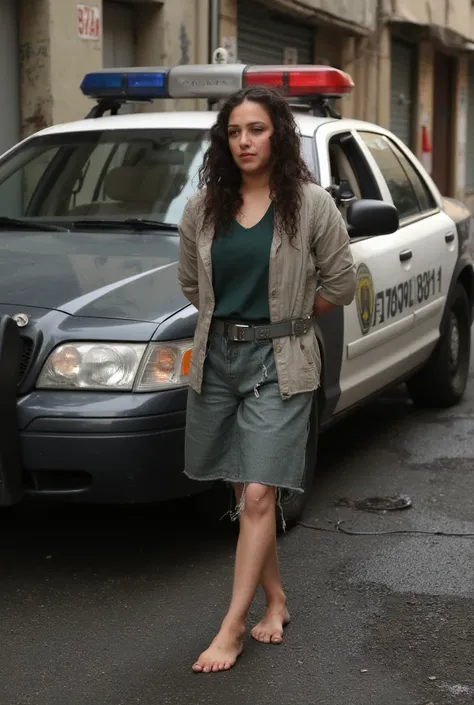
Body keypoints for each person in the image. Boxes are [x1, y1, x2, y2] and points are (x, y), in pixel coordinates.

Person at [177, 85, 356, 674]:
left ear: (277, 133)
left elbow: (340, 284)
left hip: (281, 362)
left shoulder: (310, 204)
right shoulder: (204, 208)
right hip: (218, 359)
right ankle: (275, 601)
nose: (244, 141)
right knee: (247, 490)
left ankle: (230, 629)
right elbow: (191, 285)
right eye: (233, 132)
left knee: (258, 493)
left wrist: (290, 321)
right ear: (222, 141)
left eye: (255, 129)